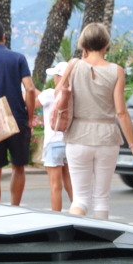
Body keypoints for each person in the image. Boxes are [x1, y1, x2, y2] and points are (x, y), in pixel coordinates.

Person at [61, 23, 133, 221]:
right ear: (106, 44)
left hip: (77, 135)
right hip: (107, 137)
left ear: (83, 43)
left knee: (80, 200)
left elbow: (60, 94)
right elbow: (121, 112)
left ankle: (74, 240)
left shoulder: (73, 65)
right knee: (102, 199)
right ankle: (101, 247)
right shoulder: (116, 71)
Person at [0, 20, 38, 206]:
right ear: (4, 37)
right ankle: (15, 207)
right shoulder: (18, 58)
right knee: (18, 167)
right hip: (17, 117)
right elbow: (30, 89)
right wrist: (29, 116)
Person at [37, 64, 73, 212]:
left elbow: (32, 104)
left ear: (59, 77)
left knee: (55, 186)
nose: (53, 78)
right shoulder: (72, 94)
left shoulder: (48, 93)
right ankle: (79, 213)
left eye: (55, 76)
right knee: (70, 182)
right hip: (68, 142)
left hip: (53, 143)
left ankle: (56, 216)